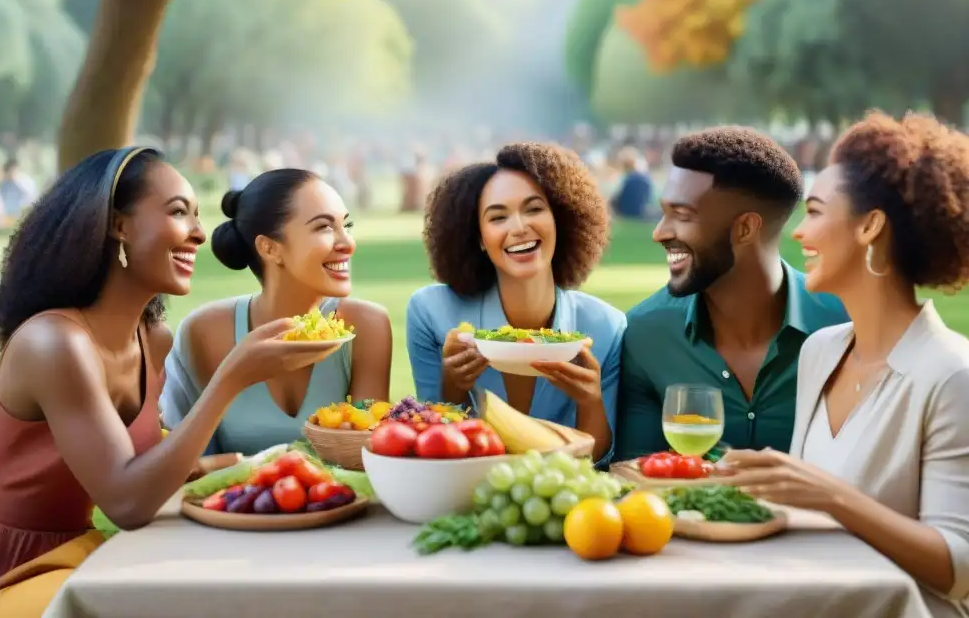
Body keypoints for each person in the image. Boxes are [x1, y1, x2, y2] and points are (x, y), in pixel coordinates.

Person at [0, 148, 336, 618]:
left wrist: (241, 464)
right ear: (119, 225)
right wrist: (232, 376)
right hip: (7, 578)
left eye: (198, 216)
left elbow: (143, 470)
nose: (197, 233)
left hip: (82, 556)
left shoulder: (153, 339)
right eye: (177, 212)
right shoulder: (53, 343)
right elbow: (126, 502)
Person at [719, 112, 969, 617]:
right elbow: (799, 512)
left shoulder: (952, 374)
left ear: (870, 226)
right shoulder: (820, 351)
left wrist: (831, 495)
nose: (798, 233)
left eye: (814, 212)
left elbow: (958, 568)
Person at [614, 127, 848, 461]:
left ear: (745, 228)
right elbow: (637, 479)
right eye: (664, 212)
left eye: (682, 215)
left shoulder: (844, 325)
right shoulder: (646, 334)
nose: (659, 233)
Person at [406, 142, 625, 464]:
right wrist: (452, 388)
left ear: (560, 219)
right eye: (498, 217)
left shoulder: (606, 326)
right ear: (479, 237)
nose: (519, 227)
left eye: (534, 209)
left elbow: (598, 461)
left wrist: (590, 401)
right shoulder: (431, 313)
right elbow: (432, 446)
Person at [160, 169, 392, 456]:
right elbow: (181, 461)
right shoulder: (204, 331)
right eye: (324, 228)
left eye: (347, 225)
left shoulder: (366, 325)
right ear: (269, 248)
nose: (347, 243)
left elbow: (363, 454)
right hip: (229, 501)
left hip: (343, 500)